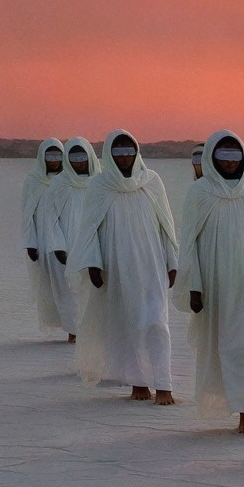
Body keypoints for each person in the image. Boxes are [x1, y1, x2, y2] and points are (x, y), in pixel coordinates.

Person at [180, 132, 244, 439]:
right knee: (234, 343)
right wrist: (194, 285)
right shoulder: (200, 192)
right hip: (219, 280)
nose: (231, 163)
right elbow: (189, 242)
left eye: (236, 156)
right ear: (212, 158)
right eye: (224, 157)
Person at [77, 131, 184, 404]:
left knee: (157, 322)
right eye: (119, 152)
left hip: (152, 264)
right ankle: (138, 382)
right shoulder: (99, 186)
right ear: (109, 155)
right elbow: (89, 229)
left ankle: (164, 384)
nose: (125, 157)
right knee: (126, 324)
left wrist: (172, 261)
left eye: (129, 151)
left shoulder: (152, 182)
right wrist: (92, 263)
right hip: (117, 267)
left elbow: (166, 225)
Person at [25, 141, 82, 344]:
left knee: (81, 287)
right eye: (49, 157)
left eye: (58, 156)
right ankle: (72, 329)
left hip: (80, 240)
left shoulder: (73, 181)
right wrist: (31, 242)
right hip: (48, 243)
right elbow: (27, 214)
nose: (54, 161)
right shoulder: (33, 181)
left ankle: (82, 327)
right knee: (62, 286)